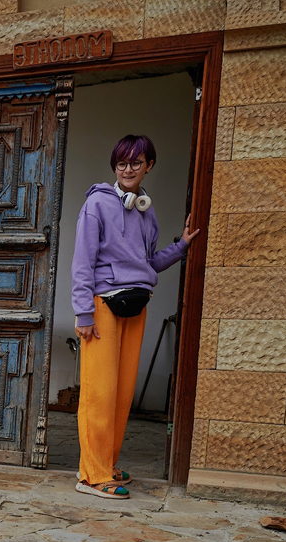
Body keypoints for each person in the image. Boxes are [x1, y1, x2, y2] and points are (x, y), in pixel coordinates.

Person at [70, 134, 200, 499]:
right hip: (102, 306)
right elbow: (82, 262)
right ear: (115, 167)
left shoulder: (145, 209)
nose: (128, 169)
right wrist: (83, 312)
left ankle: (106, 463)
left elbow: (147, 262)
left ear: (149, 166)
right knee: (100, 392)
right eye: (122, 163)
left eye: (136, 163)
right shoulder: (97, 204)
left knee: (122, 392)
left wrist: (182, 246)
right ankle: (91, 476)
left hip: (135, 305)